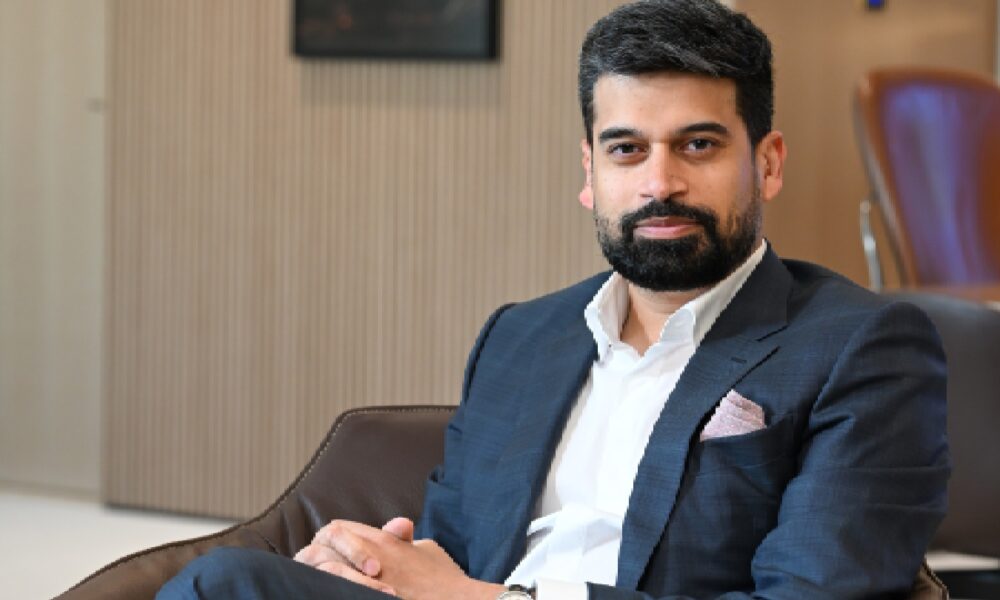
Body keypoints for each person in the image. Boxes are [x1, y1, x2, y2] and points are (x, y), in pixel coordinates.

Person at [159, 0, 949, 598]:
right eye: (626, 149)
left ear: (767, 163)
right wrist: (369, 564)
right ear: (590, 171)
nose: (659, 182)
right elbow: (448, 553)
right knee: (231, 582)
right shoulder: (521, 336)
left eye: (698, 145)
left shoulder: (863, 346)